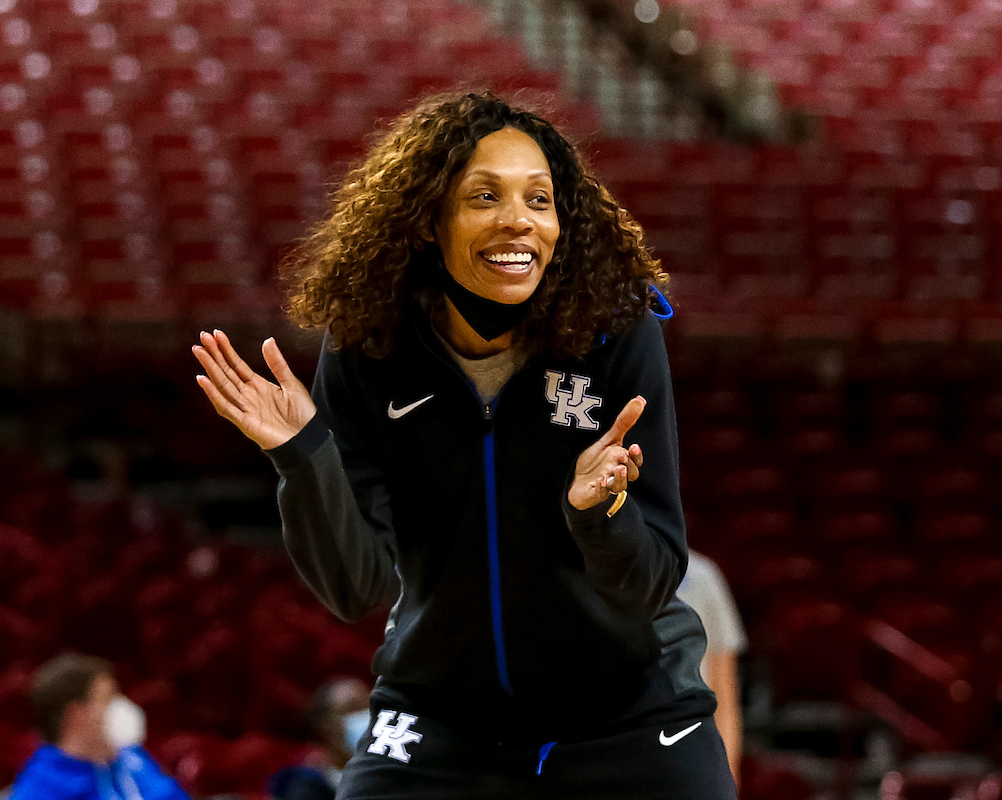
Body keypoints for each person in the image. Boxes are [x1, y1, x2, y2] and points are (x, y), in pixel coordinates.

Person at [193, 91, 737, 800]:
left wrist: (599, 513)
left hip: (629, 713)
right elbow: (357, 588)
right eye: (485, 196)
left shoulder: (617, 330)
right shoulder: (369, 345)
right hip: (441, 715)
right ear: (428, 220)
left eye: (539, 199)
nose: (518, 219)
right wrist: (303, 453)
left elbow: (652, 578)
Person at [9, 653, 188, 800]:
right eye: (107, 698)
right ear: (76, 714)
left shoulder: (134, 762)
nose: (121, 707)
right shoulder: (42, 789)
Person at [676, 548, 748, 785]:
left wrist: (728, 777)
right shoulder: (589, 570)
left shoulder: (702, 575)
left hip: (690, 741)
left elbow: (725, 696)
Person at [267, 676, 372, 800]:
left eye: (369, 706)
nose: (367, 715)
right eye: (353, 708)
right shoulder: (303, 790)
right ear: (325, 726)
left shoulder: (386, 777)